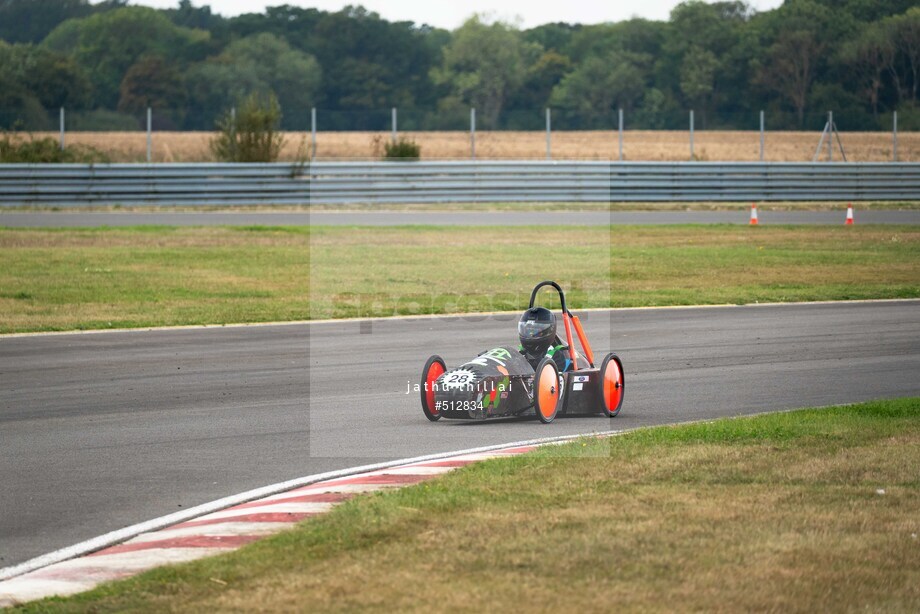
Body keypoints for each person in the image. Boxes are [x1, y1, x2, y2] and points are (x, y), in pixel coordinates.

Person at [517, 307, 571, 372]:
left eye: (535, 331)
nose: (531, 334)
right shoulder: (520, 353)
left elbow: (555, 379)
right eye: (528, 331)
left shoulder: (556, 356)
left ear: (547, 331)